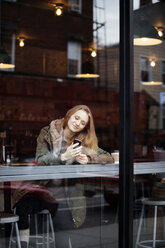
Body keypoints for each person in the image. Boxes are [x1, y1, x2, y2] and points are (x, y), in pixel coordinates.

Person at [13, 104, 115, 248]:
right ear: (69, 115)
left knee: (63, 236)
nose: (77, 123)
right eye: (76, 118)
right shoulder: (47, 132)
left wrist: (89, 158)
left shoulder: (83, 140)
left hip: (64, 196)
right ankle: (23, 244)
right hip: (40, 191)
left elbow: (108, 157)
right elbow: (41, 161)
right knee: (22, 207)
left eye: (82, 122)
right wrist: (62, 156)